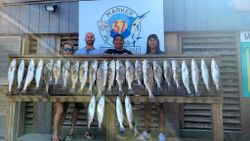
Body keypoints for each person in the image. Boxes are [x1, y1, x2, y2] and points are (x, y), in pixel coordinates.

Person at [65, 32, 100, 140]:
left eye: (91, 37)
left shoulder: (99, 53)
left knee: (90, 107)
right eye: (88, 36)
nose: (90, 38)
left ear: (94, 39)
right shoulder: (78, 52)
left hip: (93, 84)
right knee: (77, 107)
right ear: (85, 38)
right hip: (80, 83)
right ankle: (71, 131)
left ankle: (87, 131)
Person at [137, 34, 166, 141]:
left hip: (159, 86)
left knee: (160, 109)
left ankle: (162, 134)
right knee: (147, 109)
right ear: (148, 42)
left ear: (157, 42)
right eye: (150, 40)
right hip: (147, 86)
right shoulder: (144, 56)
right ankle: (147, 132)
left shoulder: (163, 55)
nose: (152, 42)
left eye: (154, 40)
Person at [104, 34, 132, 140]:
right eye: (116, 40)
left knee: (124, 108)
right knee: (111, 109)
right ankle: (112, 133)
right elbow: (102, 59)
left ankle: (124, 131)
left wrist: (128, 57)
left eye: (121, 40)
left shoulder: (129, 53)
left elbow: (131, 67)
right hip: (111, 86)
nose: (119, 42)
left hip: (124, 86)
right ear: (113, 42)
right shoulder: (108, 52)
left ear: (123, 42)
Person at [52, 42, 74, 141]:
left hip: (68, 88)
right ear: (62, 50)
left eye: (70, 50)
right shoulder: (57, 60)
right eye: (66, 49)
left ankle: (59, 133)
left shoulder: (73, 61)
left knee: (64, 111)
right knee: (59, 111)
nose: (68, 51)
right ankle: (55, 135)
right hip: (58, 88)